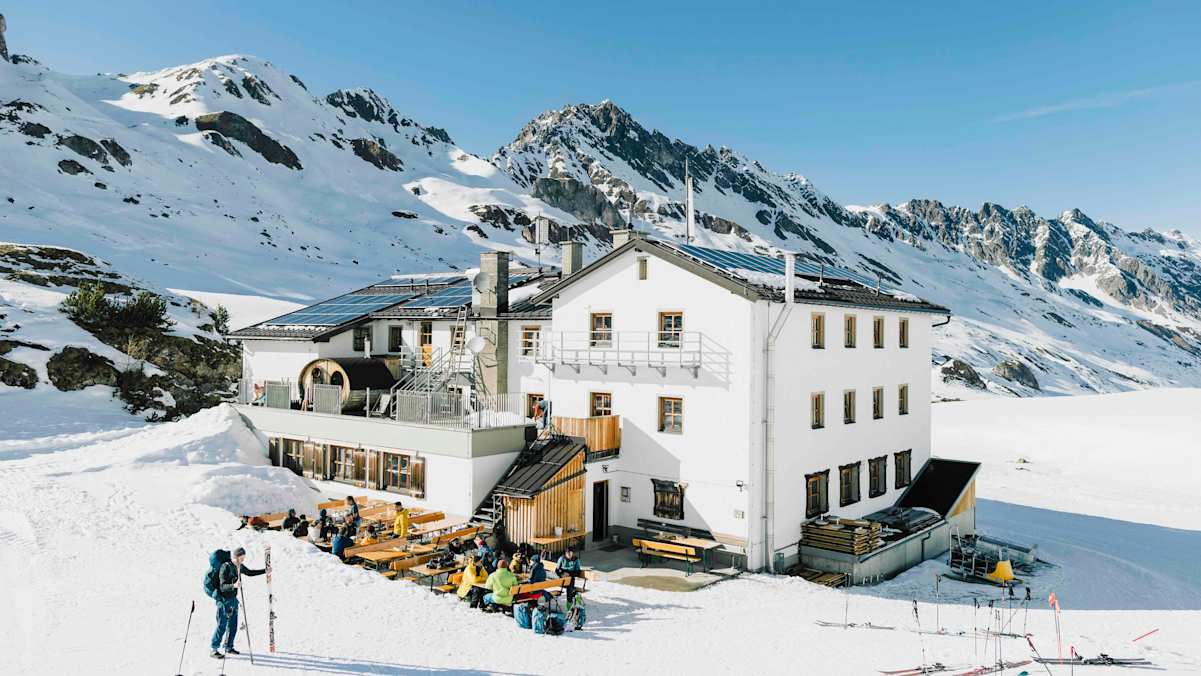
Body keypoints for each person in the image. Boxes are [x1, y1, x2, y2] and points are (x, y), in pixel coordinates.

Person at [205, 547, 265, 659]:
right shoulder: (225, 567)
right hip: (223, 600)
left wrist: (265, 570)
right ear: (235, 557)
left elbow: (250, 572)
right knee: (221, 625)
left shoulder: (239, 566)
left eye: (243, 559)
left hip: (233, 599)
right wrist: (234, 585)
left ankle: (228, 646)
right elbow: (222, 587)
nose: (241, 561)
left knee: (233, 625)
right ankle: (214, 649)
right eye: (240, 559)